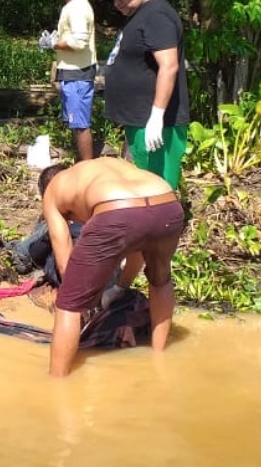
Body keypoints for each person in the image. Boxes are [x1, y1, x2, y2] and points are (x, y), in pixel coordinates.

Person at [40, 157, 185, 377]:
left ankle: (57, 382)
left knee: (68, 304)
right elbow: (138, 249)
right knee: (160, 280)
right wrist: (118, 288)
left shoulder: (53, 191)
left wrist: (80, 301)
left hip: (116, 208)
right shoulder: (104, 167)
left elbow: (64, 262)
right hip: (166, 203)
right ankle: (159, 360)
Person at [99, 0, 189, 190]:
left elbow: (169, 66)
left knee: (158, 188)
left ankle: (166, 225)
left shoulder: (157, 15)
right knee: (143, 185)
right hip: (139, 119)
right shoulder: (142, 13)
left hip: (156, 122)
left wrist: (157, 117)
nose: (117, 2)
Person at [44, 0, 97, 161]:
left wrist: (54, 44)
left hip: (78, 73)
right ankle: (82, 164)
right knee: (75, 123)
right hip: (72, 71)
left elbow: (79, 41)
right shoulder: (73, 6)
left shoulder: (77, 7)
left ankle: (87, 168)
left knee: (80, 124)